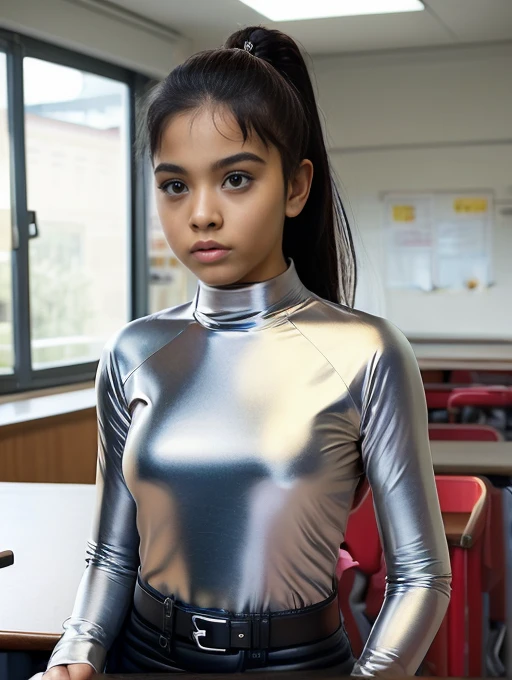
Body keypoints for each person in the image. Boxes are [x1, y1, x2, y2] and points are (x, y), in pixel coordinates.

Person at [39, 25, 451, 679]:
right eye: (175, 185)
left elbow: (423, 576)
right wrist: (76, 652)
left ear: (295, 186)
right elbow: (112, 554)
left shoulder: (367, 352)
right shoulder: (133, 351)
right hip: (145, 659)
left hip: (299, 664)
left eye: (235, 179)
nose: (201, 213)